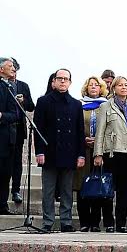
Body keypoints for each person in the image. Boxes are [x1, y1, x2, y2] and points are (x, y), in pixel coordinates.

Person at [33, 68, 86, 232]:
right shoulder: (43, 102)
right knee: (48, 191)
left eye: (66, 79)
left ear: (70, 82)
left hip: (69, 153)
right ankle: (48, 222)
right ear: (54, 81)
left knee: (67, 191)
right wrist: (39, 152)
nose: (63, 81)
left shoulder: (76, 104)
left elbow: (79, 132)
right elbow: (38, 129)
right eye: (60, 78)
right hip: (49, 153)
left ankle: (66, 222)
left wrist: (81, 154)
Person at [93, 75, 127, 233]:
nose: (123, 87)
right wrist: (98, 153)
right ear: (114, 88)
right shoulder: (106, 107)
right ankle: (109, 222)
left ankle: (121, 223)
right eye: (120, 85)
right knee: (108, 190)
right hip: (111, 153)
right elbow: (100, 132)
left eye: (126, 85)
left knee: (124, 191)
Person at [75, 76, 112, 232]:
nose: (93, 87)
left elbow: (109, 127)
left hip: (100, 151)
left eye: (96, 85)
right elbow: (75, 125)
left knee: (97, 185)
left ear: (101, 88)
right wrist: (83, 139)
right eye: (90, 85)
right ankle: (84, 222)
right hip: (83, 149)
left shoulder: (106, 105)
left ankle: (95, 222)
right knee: (82, 186)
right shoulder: (79, 105)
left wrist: (98, 141)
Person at [7, 58, 34, 206]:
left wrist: (23, 101)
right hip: (4, 129)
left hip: (18, 128)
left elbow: (31, 107)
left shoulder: (23, 86)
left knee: (17, 161)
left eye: (15, 68)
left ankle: (16, 190)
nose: (14, 70)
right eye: (11, 67)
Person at [0, 58, 20, 216]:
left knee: (4, 173)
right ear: (1, 69)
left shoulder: (9, 87)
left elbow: (15, 115)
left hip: (5, 139)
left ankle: (2, 205)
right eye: (10, 66)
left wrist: (1, 116)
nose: (13, 68)